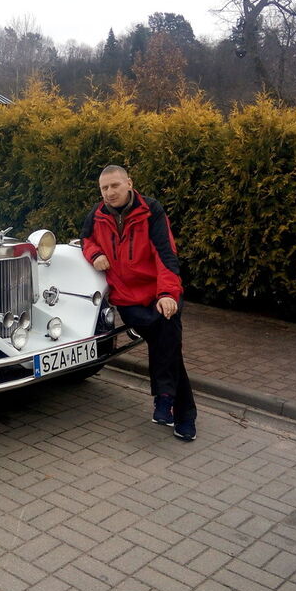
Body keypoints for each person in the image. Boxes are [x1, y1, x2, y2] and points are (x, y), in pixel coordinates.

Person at [80, 165, 197, 441]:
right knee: (166, 340)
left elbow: (166, 255)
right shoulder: (97, 215)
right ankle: (171, 403)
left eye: (115, 185)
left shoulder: (151, 211)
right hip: (127, 299)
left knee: (166, 329)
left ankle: (173, 407)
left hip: (159, 293)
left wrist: (167, 294)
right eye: (104, 188)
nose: (109, 192)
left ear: (129, 184)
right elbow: (85, 239)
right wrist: (95, 254)